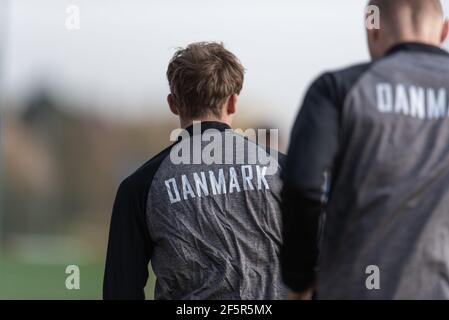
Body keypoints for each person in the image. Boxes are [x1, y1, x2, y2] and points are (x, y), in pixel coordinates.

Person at [281, 0, 449, 300]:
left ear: (372, 30)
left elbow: (303, 185)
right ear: (444, 31)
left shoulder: (336, 88)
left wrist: (299, 278)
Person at [103, 42, 287, 300]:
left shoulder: (139, 186)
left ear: (173, 104)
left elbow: (120, 291)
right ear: (233, 103)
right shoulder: (287, 172)